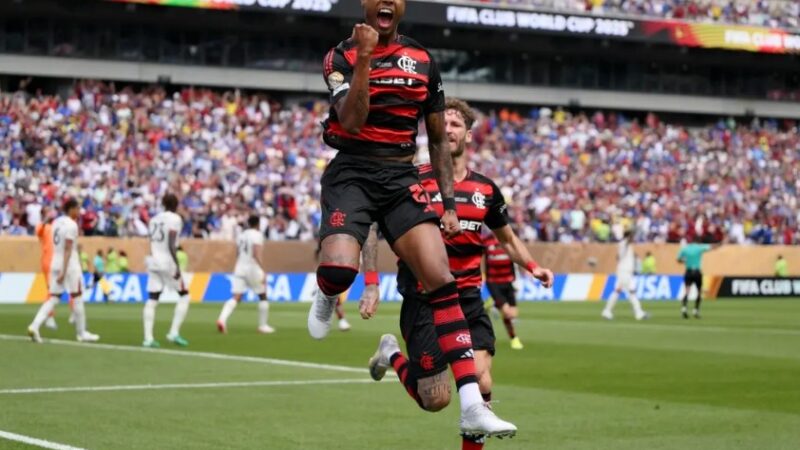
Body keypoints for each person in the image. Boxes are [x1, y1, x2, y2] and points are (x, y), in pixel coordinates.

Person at [307, 2, 516, 437]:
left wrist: (450, 205)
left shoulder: (423, 60)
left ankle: (473, 405)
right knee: (338, 268)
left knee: (442, 278)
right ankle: (327, 291)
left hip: (401, 176)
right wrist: (365, 56)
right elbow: (353, 118)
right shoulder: (340, 55)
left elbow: (437, 139)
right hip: (353, 172)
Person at [361, 98, 554, 447]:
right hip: (424, 300)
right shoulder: (410, 181)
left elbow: (507, 239)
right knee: (435, 400)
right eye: (441, 124)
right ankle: (391, 353)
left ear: (468, 133)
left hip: (467, 298)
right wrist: (371, 283)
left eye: (454, 124)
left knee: (481, 382)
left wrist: (532, 266)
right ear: (430, 131)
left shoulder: (485, 190)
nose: (447, 129)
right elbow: (371, 228)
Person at [27, 199, 100, 343]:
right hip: (69, 266)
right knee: (77, 297)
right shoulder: (72, 225)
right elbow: (68, 249)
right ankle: (82, 333)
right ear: (71, 209)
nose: (79, 212)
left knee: (53, 297)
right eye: (77, 209)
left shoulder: (56, 222)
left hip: (55, 261)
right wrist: (64, 271)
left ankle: (34, 326)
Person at [143, 193, 190, 348]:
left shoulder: (154, 219)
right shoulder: (175, 219)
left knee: (152, 299)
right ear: (176, 205)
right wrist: (176, 265)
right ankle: (173, 332)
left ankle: (148, 338)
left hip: (153, 260)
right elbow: (171, 243)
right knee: (184, 295)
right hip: (167, 261)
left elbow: (151, 241)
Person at [217, 215, 274, 334]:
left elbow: (237, 253)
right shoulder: (257, 235)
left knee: (236, 297)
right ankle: (262, 326)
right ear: (258, 224)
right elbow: (256, 253)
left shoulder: (241, 235)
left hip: (239, 267)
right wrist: (263, 270)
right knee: (263, 295)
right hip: (252, 268)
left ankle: (222, 319)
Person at [482, 230, 524, 350]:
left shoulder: (508, 240)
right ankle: (514, 338)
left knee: (513, 314)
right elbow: (482, 259)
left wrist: (519, 277)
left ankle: (492, 304)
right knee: (507, 313)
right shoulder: (487, 241)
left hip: (508, 282)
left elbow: (517, 258)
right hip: (493, 282)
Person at [602, 230, 649, 321]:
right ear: (628, 237)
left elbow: (618, 257)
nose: (633, 238)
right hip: (625, 271)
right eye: (632, 236)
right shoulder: (624, 244)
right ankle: (638, 313)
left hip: (625, 271)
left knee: (618, 291)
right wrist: (627, 238)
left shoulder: (626, 245)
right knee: (631, 291)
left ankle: (607, 311)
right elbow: (621, 252)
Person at [677, 240, 718, 319]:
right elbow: (711, 247)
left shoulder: (685, 249)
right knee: (699, 292)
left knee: (687, 291)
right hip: (697, 272)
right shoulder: (699, 248)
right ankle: (696, 310)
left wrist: (685, 261)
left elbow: (678, 259)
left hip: (688, 272)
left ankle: (684, 309)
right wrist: (720, 244)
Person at [35, 209, 59, 330]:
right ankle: (49, 317)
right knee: (52, 290)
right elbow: (38, 232)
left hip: (57, 261)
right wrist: (46, 219)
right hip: (48, 261)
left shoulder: (55, 226)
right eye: (48, 212)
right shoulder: (42, 226)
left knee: (56, 290)